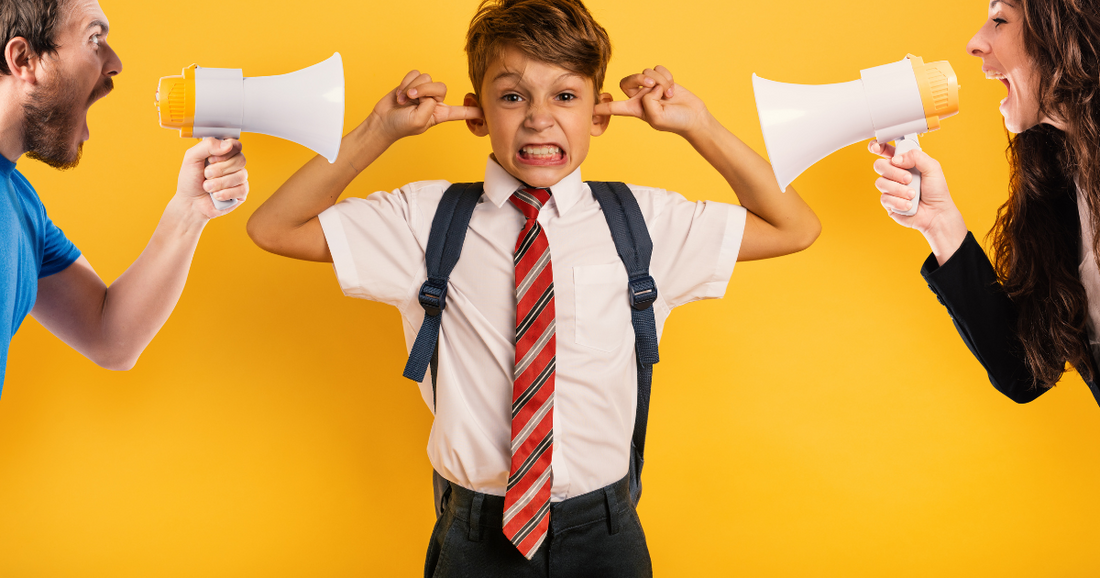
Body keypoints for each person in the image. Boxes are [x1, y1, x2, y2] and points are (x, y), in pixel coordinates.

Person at [248, 0, 819, 574]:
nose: (539, 118)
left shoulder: (644, 222)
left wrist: (700, 127)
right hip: (475, 530)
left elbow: (794, 225)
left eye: (566, 96)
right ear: (476, 114)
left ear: (601, 114)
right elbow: (273, 227)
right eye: (513, 95)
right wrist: (380, 129)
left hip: (605, 529)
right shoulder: (424, 220)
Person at [0, 0, 249, 388]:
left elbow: (109, 336)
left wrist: (189, 210)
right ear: (24, 58)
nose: (114, 62)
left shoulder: (22, 208)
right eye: (94, 38)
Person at [870, 0, 1100, 405]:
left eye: (1000, 20)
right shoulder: (1062, 184)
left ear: (1067, 33)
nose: (974, 43)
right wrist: (940, 224)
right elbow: (1024, 373)